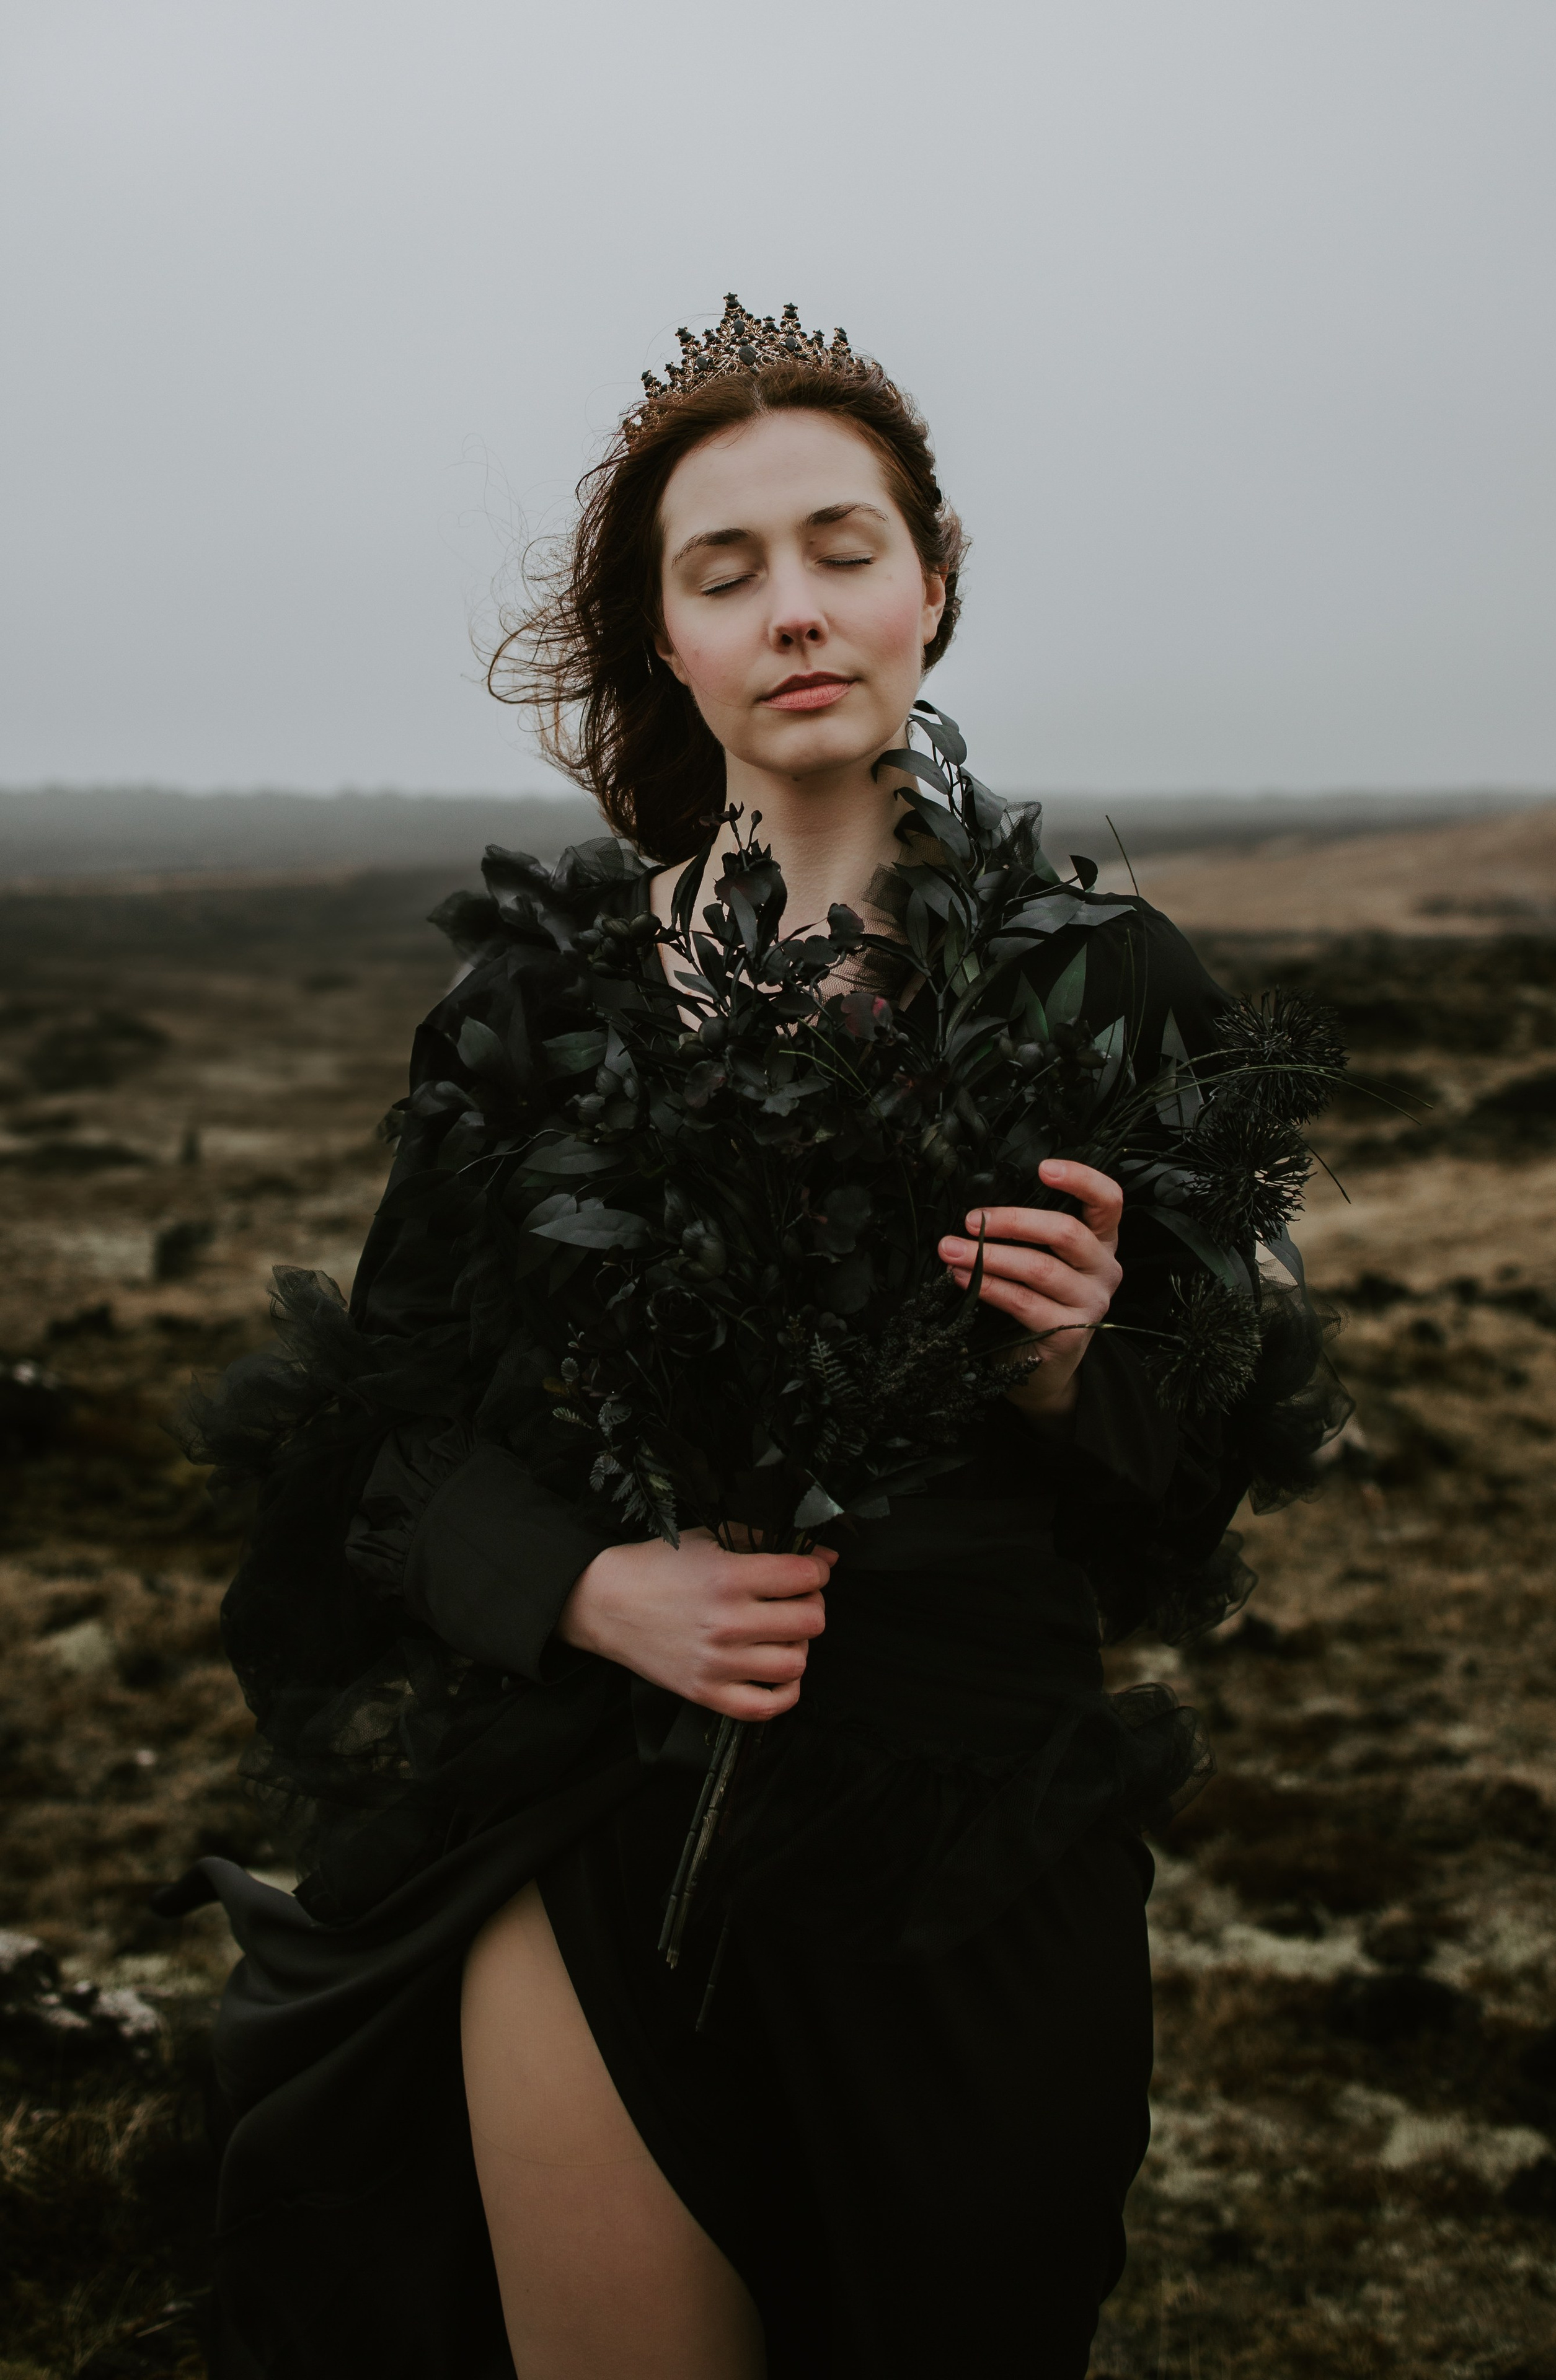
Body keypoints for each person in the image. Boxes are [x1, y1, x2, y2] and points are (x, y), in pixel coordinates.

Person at [162, 298, 1342, 2380]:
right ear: (669, 641)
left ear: (932, 589)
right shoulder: (532, 1017)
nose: (795, 610)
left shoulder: (1111, 987)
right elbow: (372, 1452)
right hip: (596, 1844)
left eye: (842, 549)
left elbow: (1211, 1468)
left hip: (982, 1868)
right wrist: (597, 1588)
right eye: (727, 574)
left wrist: (1081, 1361)